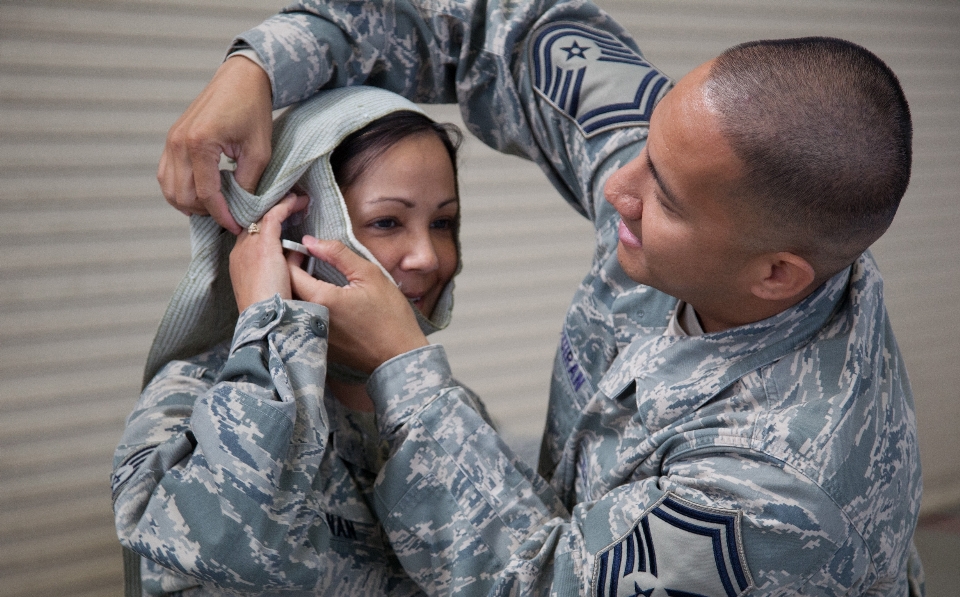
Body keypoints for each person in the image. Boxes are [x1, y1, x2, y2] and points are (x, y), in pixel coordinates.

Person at [156, 1, 924, 595]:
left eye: (668, 199)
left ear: (776, 275)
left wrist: (406, 374)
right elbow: (499, 26)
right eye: (646, 147)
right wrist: (258, 65)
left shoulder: (779, 490)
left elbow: (540, 582)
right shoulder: (701, 161)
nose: (615, 187)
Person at [112, 86, 496, 595]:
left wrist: (408, 372)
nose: (426, 256)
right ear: (293, 227)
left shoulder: (441, 403)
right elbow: (214, 543)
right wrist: (273, 332)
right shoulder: (192, 395)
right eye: (387, 222)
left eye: (443, 222)